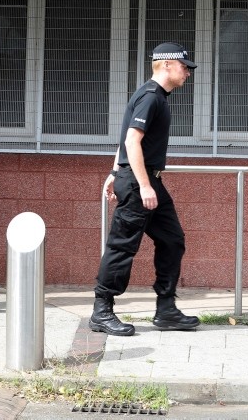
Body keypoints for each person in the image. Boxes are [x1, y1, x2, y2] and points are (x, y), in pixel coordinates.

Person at [89, 42, 200, 336]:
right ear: (166, 65)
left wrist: (115, 171)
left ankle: (166, 309)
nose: (188, 73)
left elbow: (126, 139)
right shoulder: (151, 97)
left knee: (172, 240)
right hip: (142, 183)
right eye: (184, 67)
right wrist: (142, 184)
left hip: (148, 181)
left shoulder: (156, 97)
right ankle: (101, 312)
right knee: (122, 246)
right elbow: (131, 142)